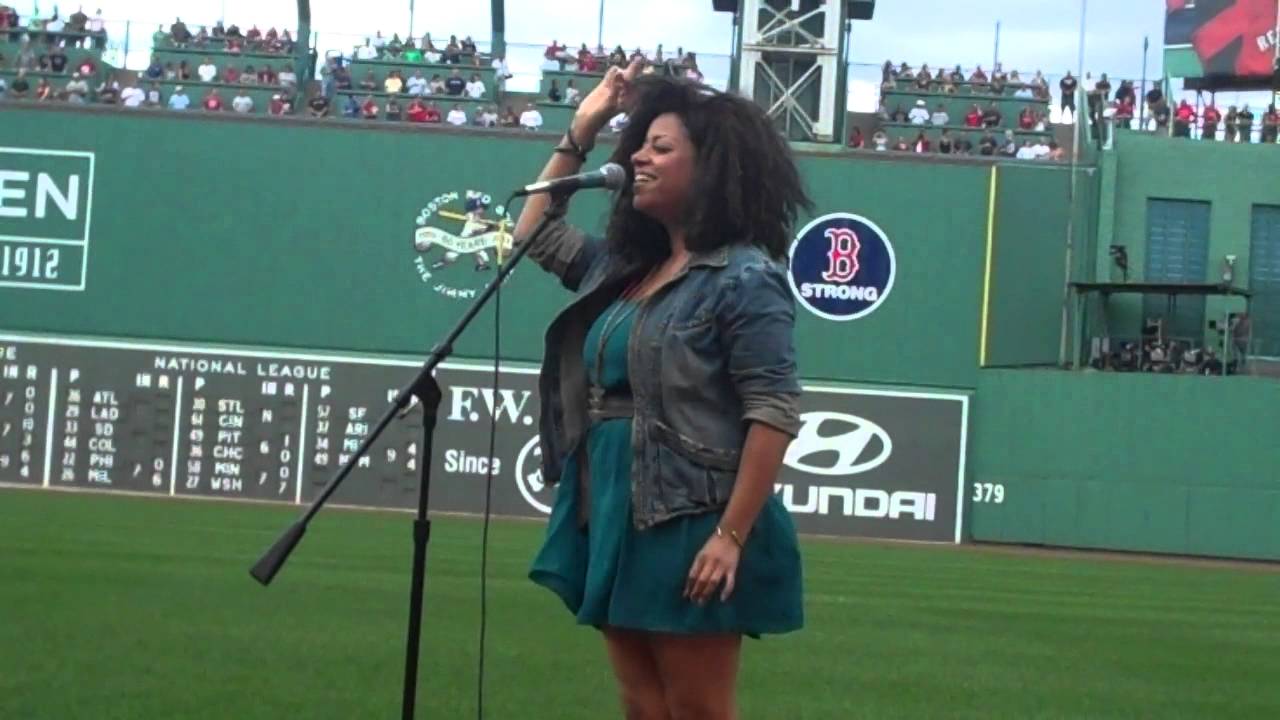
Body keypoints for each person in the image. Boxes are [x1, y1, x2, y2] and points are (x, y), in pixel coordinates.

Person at [514, 58, 807, 719]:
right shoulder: (625, 267)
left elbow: (773, 411)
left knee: (697, 711)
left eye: (660, 147)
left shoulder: (746, 278)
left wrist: (730, 536)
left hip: (690, 514)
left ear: (711, 168)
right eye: (639, 144)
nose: (639, 157)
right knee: (643, 707)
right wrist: (583, 126)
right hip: (610, 500)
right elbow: (531, 233)